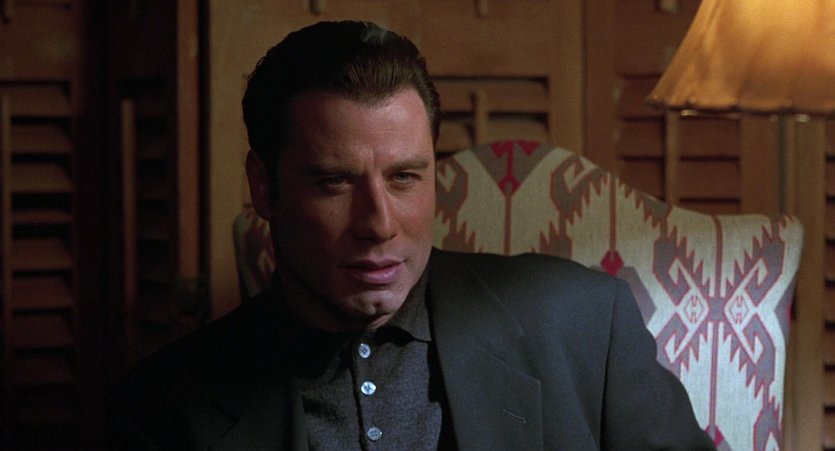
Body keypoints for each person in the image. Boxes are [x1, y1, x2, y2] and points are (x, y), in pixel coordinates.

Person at [109, 21, 715, 450]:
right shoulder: (164, 409)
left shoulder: (586, 322)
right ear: (264, 188)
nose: (378, 223)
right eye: (334, 182)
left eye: (404, 178)